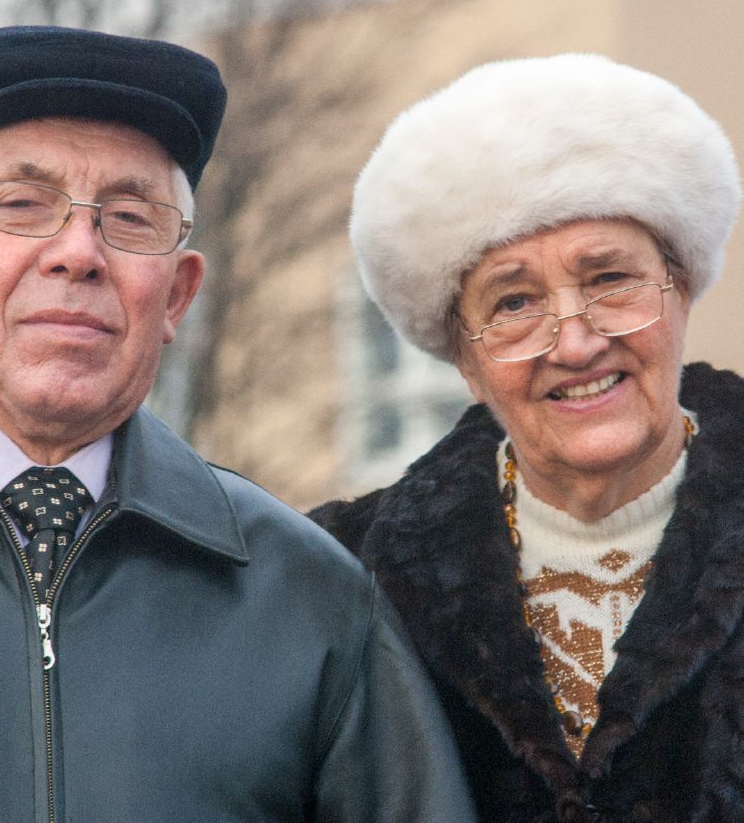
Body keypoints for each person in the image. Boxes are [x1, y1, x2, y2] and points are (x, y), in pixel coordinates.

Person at [0, 25, 475, 821]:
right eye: (22, 205)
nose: (79, 251)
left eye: (130, 218)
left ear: (176, 295)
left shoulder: (304, 597)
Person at [310, 54, 744, 822]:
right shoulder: (341, 579)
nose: (574, 342)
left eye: (610, 278)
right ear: (467, 361)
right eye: (513, 301)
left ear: (681, 290)